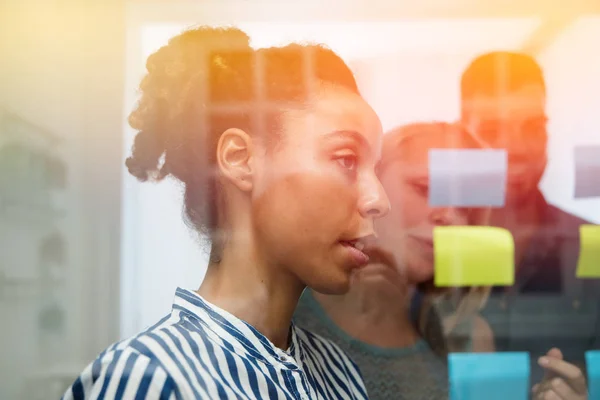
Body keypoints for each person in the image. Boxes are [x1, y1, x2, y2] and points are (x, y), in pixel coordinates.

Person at [62, 26, 390, 399]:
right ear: (240, 159)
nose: (379, 199)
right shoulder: (150, 378)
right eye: (346, 159)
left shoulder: (337, 374)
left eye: (375, 169)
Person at [294, 122, 495, 400]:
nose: (449, 215)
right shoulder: (290, 304)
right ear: (372, 183)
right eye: (426, 188)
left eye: (465, 207)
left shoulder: (469, 336)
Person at [461, 51, 595, 399]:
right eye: (492, 130)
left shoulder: (589, 246)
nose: (517, 147)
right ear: (461, 137)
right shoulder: (428, 249)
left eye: (532, 127)